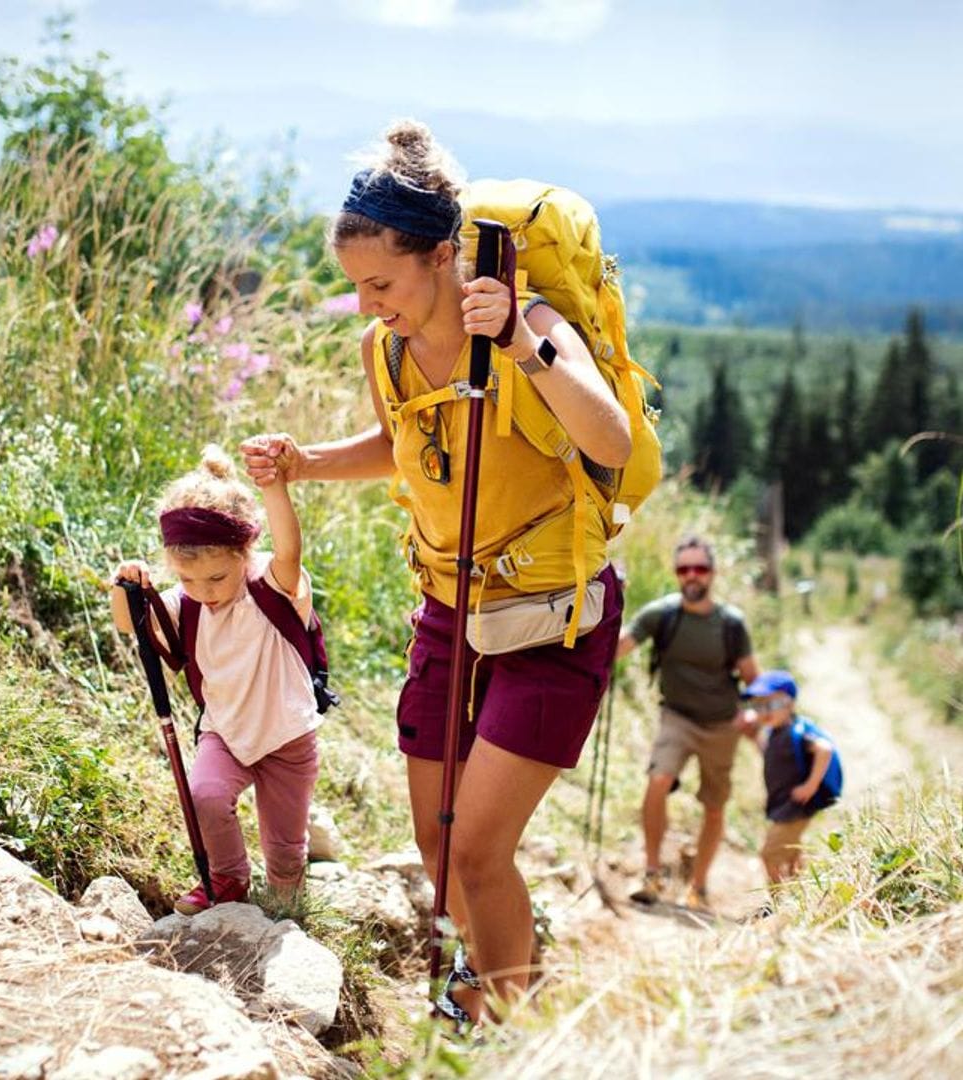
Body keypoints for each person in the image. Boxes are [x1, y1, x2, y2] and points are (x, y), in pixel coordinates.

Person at [243, 119, 630, 1022]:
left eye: (381, 282)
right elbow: (401, 443)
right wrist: (305, 462)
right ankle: (476, 999)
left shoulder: (529, 323)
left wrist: (529, 352)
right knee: (435, 840)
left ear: (444, 255)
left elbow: (607, 436)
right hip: (449, 611)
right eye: (356, 287)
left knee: (479, 850)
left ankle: (505, 1025)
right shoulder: (386, 348)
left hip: (551, 616)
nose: (369, 302)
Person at [111, 443, 321, 914]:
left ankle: (288, 902)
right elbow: (130, 624)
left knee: (285, 847)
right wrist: (123, 586)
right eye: (188, 579)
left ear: (246, 554)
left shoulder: (271, 585)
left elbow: (289, 547)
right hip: (225, 730)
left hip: (287, 737)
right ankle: (228, 879)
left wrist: (274, 486)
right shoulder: (186, 605)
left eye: (217, 578)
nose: (204, 592)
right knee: (206, 794)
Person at [615, 535, 759, 910]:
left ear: (712, 574)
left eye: (700, 568)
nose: (692, 576)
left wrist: (759, 715)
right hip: (676, 717)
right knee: (658, 780)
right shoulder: (661, 615)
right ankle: (652, 873)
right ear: (676, 574)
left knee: (714, 806)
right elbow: (620, 646)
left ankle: (698, 885)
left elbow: (753, 679)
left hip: (721, 725)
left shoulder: (731, 624)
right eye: (684, 569)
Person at [744, 669, 839, 890]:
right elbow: (773, 758)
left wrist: (811, 785)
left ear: (790, 704)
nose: (765, 712)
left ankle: (780, 901)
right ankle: (802, 895)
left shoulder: (796, 731)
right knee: (792, 854)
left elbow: (825, 749)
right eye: (759, 706)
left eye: (772, 705)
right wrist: (753, 739)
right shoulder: (774, 733)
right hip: (784, 804)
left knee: (769, 854)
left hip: (796, 806)